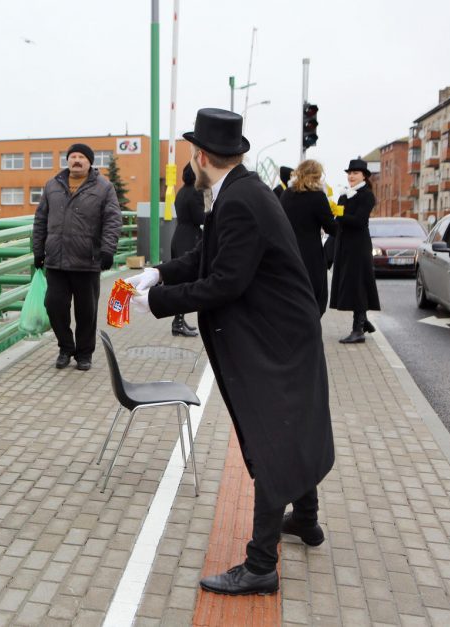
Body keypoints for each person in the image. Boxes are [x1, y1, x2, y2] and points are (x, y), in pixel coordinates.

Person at [128, 108, 334, 596]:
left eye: (191, 153)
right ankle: (306, 520)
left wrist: (154, 303)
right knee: (292, 426)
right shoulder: (240, 191)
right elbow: (207, 256)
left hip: (274, 338)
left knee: (271, 439)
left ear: (201, 156)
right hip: (286, 332)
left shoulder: (238, 199)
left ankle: (261, 565)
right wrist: (159, 272)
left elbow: (226, 281)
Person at [32, 143, 122, 371]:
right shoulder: (52, 185)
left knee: (86, 312)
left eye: (82, 157)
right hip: (56, 260)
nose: (77, 160)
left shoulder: (104, 187)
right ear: (67, 160)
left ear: (90, 162)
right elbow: (41, 219)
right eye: (73, 156)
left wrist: (108, 249)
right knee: (54, 305)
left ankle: (84, 353)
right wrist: (37, 250)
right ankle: (65, 347)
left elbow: (113, 220)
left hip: (87, 260)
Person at [329, 158, 380, 343]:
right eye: (349, 173)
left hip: (359, 247)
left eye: (355, 173)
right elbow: (337, 222)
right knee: (349, 285)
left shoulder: (366, 195)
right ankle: (363, 321)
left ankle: (358, 329)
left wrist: (340, 214)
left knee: (358, 285)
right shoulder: (344, 194)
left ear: (364, 176)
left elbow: (359, 221)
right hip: (345, 246)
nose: (351, 176)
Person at [280, 159, 337, 315]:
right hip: (311, 254)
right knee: (315, 297)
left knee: (292, 294)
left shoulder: (286, 195)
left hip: (288, 252)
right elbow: (331, 228)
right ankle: (309, 331)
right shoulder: (317, 197)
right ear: (316, 176)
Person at [169, 163, 204, 337]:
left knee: (180, 280)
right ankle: (178, 323)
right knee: (185, 282)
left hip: (178, 236)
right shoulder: (196, 192)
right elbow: (199, 217)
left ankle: (179, 321)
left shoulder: (181, 191)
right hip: (191, 237)